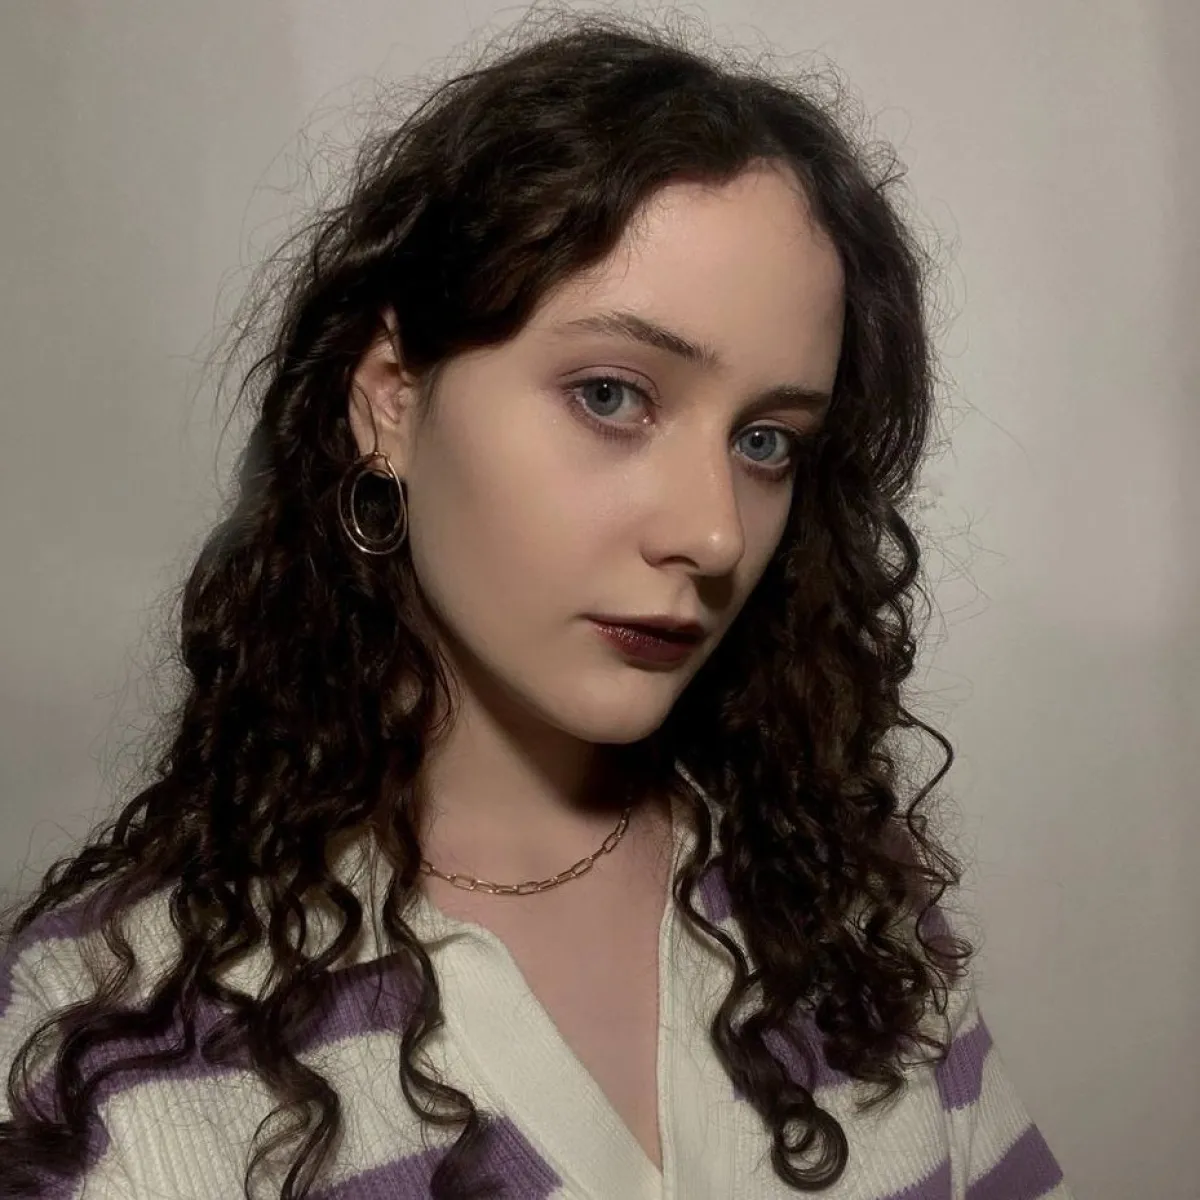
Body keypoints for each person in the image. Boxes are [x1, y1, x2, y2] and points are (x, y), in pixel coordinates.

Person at [0, 12, 1075, 1200]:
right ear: (391, 400)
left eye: (766, 440)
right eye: (612, 394)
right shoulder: (94, 1061)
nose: (715, 531)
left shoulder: (855, 928)